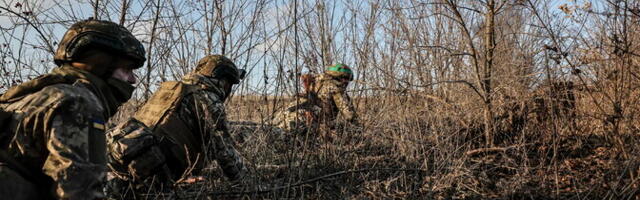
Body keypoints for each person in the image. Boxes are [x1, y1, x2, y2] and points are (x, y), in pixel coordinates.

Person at [0, 19, 146, 199]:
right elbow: (78, 192)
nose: (132, 79)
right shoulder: (77, 103)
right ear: (100, 64)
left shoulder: (25, 98)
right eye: (127, 69)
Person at [107, 55, 248, 194]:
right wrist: (246, 183)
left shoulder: (172, 90)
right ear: (223, 80)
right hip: (149, 169)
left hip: (119, 154)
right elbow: (224, 151)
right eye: (229, 83)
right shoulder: (208, 99)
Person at [274, 63, 358, 136]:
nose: (346, 83)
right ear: (340, 77)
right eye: (346, 79)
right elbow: (350, 115)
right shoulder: (335, 88)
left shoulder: (314, 81)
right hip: (303, 124)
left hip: (283, 118)